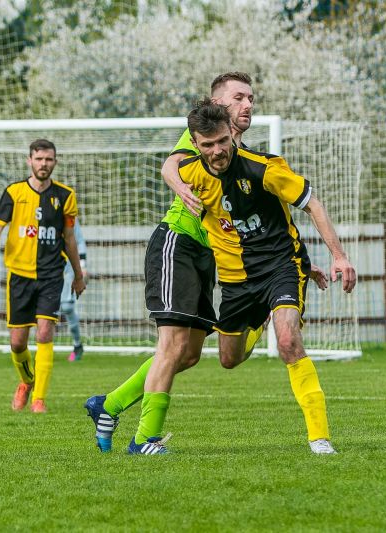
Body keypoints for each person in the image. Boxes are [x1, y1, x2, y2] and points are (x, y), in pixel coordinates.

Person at [84, 72, 328, 454]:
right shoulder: (205, 130)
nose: (246, 105)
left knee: (190, 354)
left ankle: (109, 404)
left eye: (250, 98)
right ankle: (144, 439)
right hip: (179, 242)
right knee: (172, 344)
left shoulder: (237, 153)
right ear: (217, 105)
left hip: (211, 256)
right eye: (237, 98)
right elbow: (171, 165)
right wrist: (181, 188)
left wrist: (295, 261)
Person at [161, 99, 356, 456]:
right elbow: (169, 165)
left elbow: (313, 204)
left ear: (230, 135)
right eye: (208, 145)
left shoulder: (264, 168)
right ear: (195, 144)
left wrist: (338, 256)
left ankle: (320, 438)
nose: (218, 150)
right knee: (228, 360)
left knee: (287, 342)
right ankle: (258, 324)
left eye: (222, 141)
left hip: (282, 267)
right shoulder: (190, 173)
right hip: (236, 281)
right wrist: (175, 183)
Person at [0, 139, 86, 414]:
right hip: (19, 275)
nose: (44, 164)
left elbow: (69, 239)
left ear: (55, 161)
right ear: (30, 161)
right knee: (17, 342)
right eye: (39, 159)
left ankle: (39, 398)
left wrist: (78, 274)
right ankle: (27, 381)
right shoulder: (14, 192)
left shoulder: (65, 196)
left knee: (44, 332)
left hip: (52, 275)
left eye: (49, 159)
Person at [63, 222, 87, 361]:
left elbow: (79, 241)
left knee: (67, 307)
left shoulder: (70, 217)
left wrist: (82, 266)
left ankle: (77, 345)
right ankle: (43, 345)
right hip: (48, 267)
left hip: (69, 267)